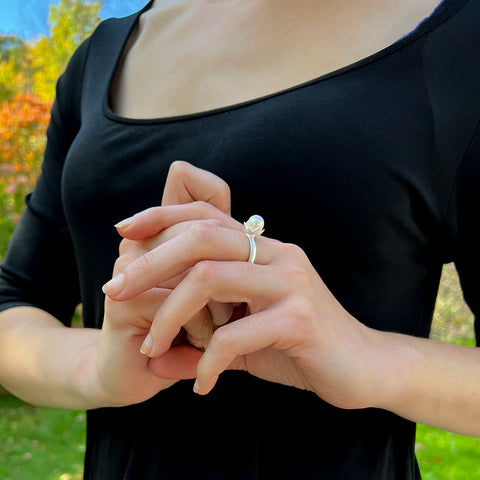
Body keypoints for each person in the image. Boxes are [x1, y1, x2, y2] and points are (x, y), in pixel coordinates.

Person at [0, 0, 479, 477]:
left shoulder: (462, 42)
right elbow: (14, 304)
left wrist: (372, 356)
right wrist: (96, 368)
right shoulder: (100, 56)